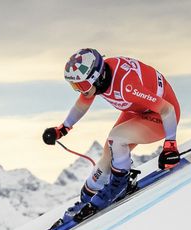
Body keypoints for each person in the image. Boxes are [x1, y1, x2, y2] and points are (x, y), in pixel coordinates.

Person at [43, 48, 181, 214]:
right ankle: (88, 196)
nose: (80, 90)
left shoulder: (126, 86)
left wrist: (170, 145)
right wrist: (63, 128)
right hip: (138, 109)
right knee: (109, 153)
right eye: (75, 86)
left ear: (96, 77)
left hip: (163, 116)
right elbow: (81, 105)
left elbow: (167, 109)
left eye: (82, 85)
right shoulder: (98, 79)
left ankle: (119, 185)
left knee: (117, 138)